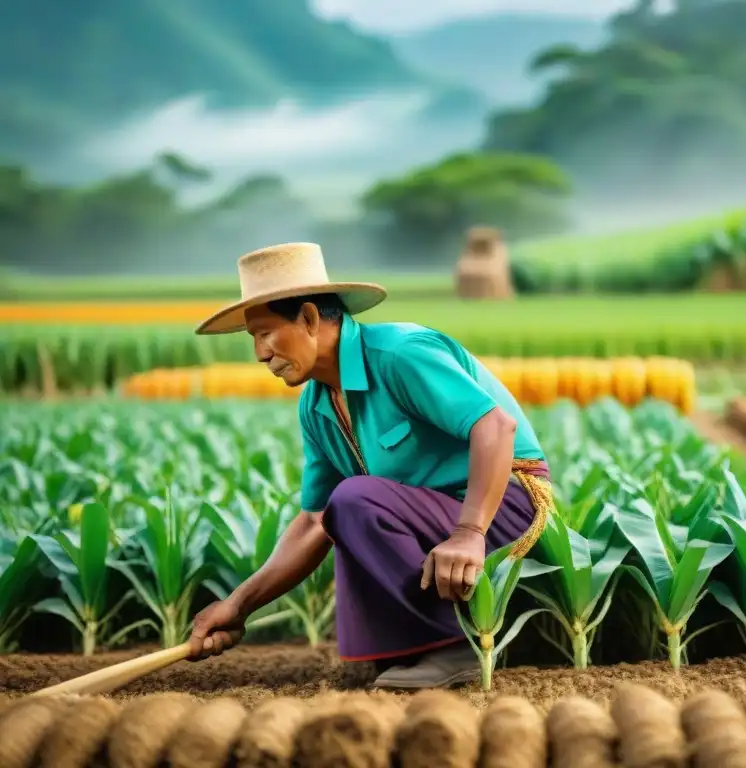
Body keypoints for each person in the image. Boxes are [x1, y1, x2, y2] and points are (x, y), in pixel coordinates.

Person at [186, 242, 553, 689]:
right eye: (253, 339)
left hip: (502, 509)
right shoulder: (316, 405)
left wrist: (469, 533)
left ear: (308, 318)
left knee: (358, 497)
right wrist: (239, 604)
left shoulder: (399, 354)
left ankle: (454, 647)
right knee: (348, 509)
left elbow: (496, 428)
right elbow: (315, 521)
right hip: (437, 518)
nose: (260, 353)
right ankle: (414, 648)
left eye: (265, 333)